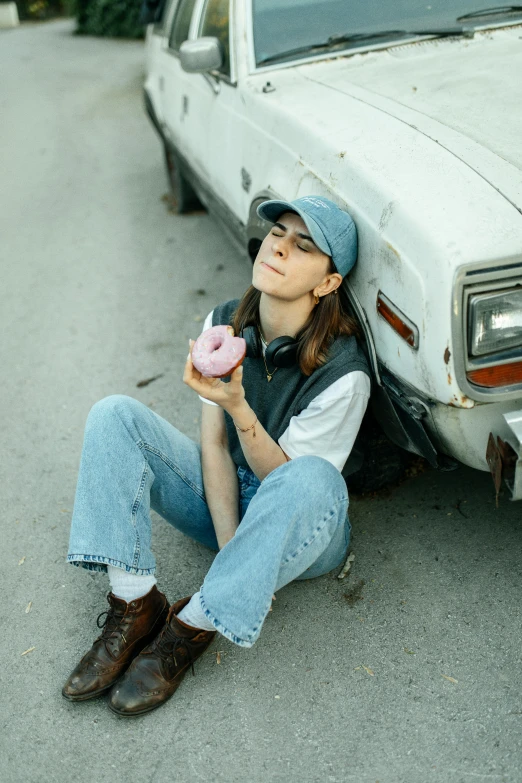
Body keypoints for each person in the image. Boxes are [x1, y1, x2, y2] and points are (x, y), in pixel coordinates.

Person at [62, 196, 371, 717]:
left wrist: (239, 407)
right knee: (114, 414)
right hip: (230, 500)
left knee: (312, 477)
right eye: (278, 233)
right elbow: (212, 446)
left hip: (301, 526)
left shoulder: (345, 375)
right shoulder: (224, 322)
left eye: (303, 246)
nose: (279, 247)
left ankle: (191, 626)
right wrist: (232, 554)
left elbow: (288, 487)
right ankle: (136, 604)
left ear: (327, 283)